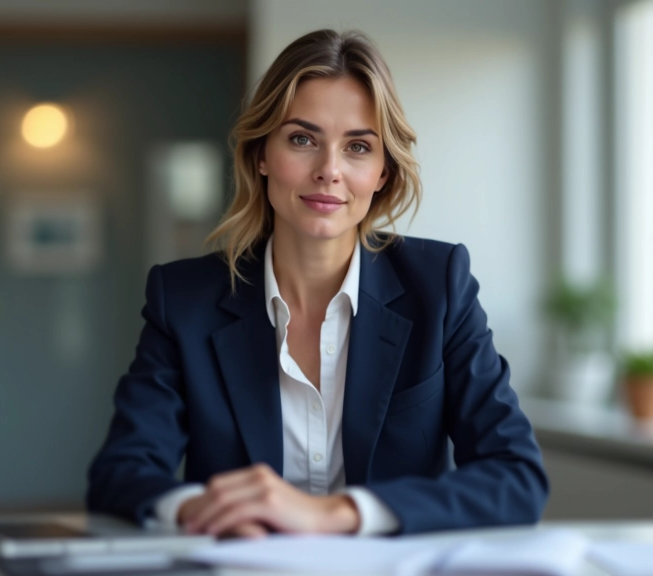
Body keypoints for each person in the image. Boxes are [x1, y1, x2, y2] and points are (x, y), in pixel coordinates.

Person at [87, 29, 548, 538]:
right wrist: (205, 511)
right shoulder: (184, 300)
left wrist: (338, 514)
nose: (329, 170)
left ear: (382, 173)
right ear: (261, 155)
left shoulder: (439, 286)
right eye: (302, 139)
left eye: (358, 147)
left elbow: (517, 477)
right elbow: (121, 473)